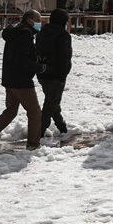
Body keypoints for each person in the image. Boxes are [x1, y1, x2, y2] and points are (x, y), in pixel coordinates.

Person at [0, 10, 44, 156]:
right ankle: (33, 145)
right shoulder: (25, 35)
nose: (40, 23)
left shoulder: (15, 32)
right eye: (38, 19)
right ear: (30, 20)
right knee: (35, 113)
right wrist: (39, 67)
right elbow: (23, 60)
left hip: (10, 79)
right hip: (21, 81)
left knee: (10, 112)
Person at [36, 8, 73, 136]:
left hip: (42, 72)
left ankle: (62, 127)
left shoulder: (41, 33)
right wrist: (63, 75)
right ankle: (38, 133)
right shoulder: (63, 35)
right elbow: (65, 58)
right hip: (56, 75)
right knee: (50, 104)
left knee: (52, 101)